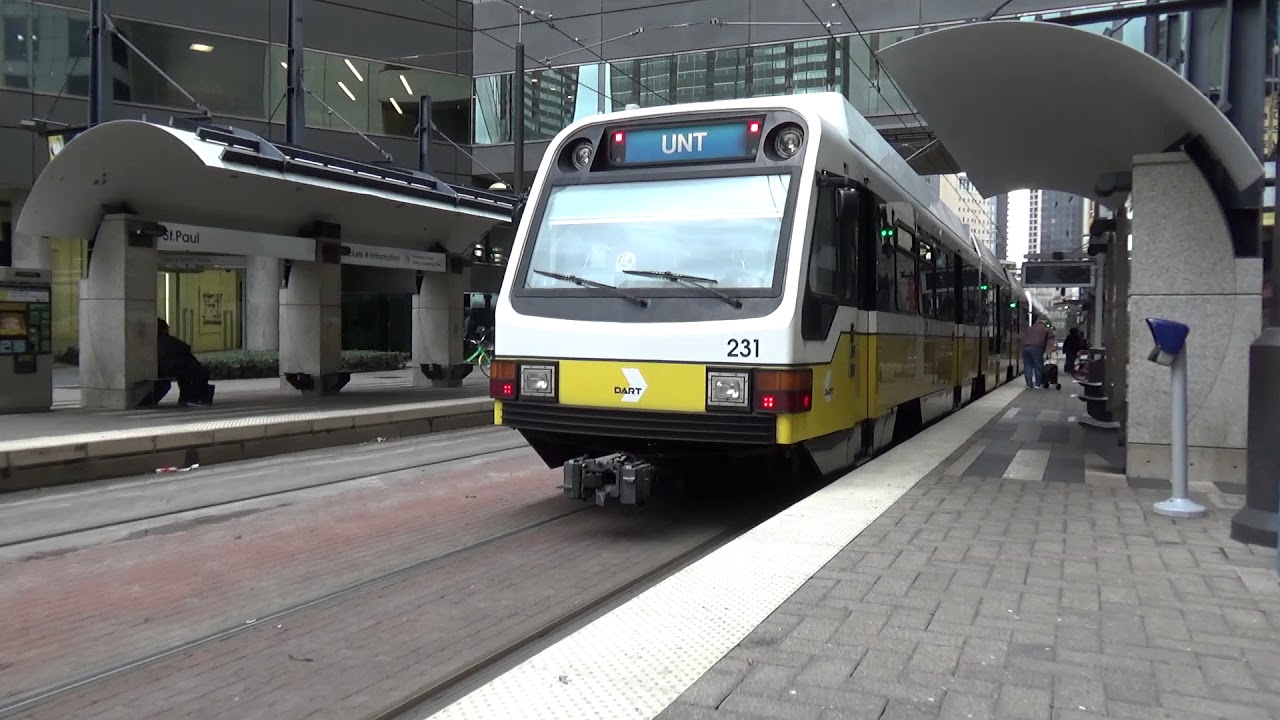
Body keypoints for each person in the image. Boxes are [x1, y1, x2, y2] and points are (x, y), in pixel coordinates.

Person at [157, 318, 215, 406]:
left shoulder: (159, 342)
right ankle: (193, 398)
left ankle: (188, 397)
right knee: (197, 371)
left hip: (169, 367)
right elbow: (185, 348)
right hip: (172, 367)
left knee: (192, 371)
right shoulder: (166, 341)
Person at [1021, 318, 1050, 389]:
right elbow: (1047, 340)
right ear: (1044, 321)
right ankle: (1037, 384)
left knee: (1028, 366)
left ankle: (1029, 384)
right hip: (1036, 348)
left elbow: (1024, 337)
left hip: (1026, 348)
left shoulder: (1030, 328)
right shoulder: (1044, 329)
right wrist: (1046, 350)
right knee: (1038, 366)